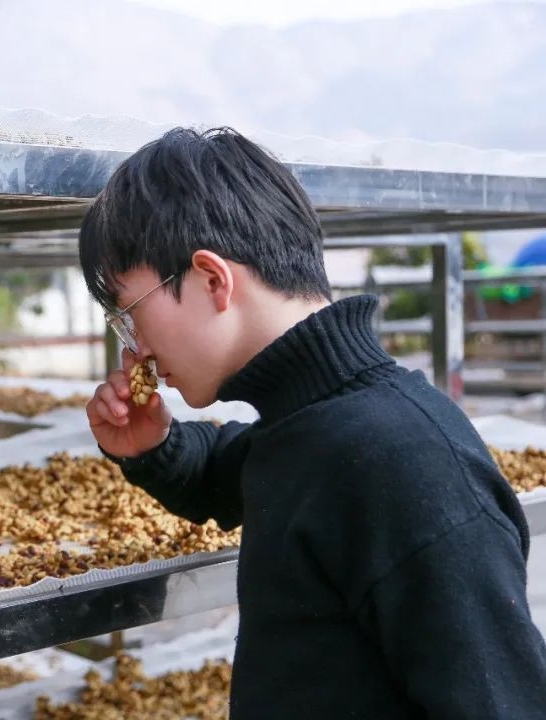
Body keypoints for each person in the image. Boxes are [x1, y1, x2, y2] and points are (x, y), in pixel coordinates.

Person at [80, 126, 546, 719]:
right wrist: (158, 445)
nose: (135, 347)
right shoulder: (307, 425)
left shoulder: (402, 463)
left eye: (130, 314)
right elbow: (237, 470)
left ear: (212, 279)